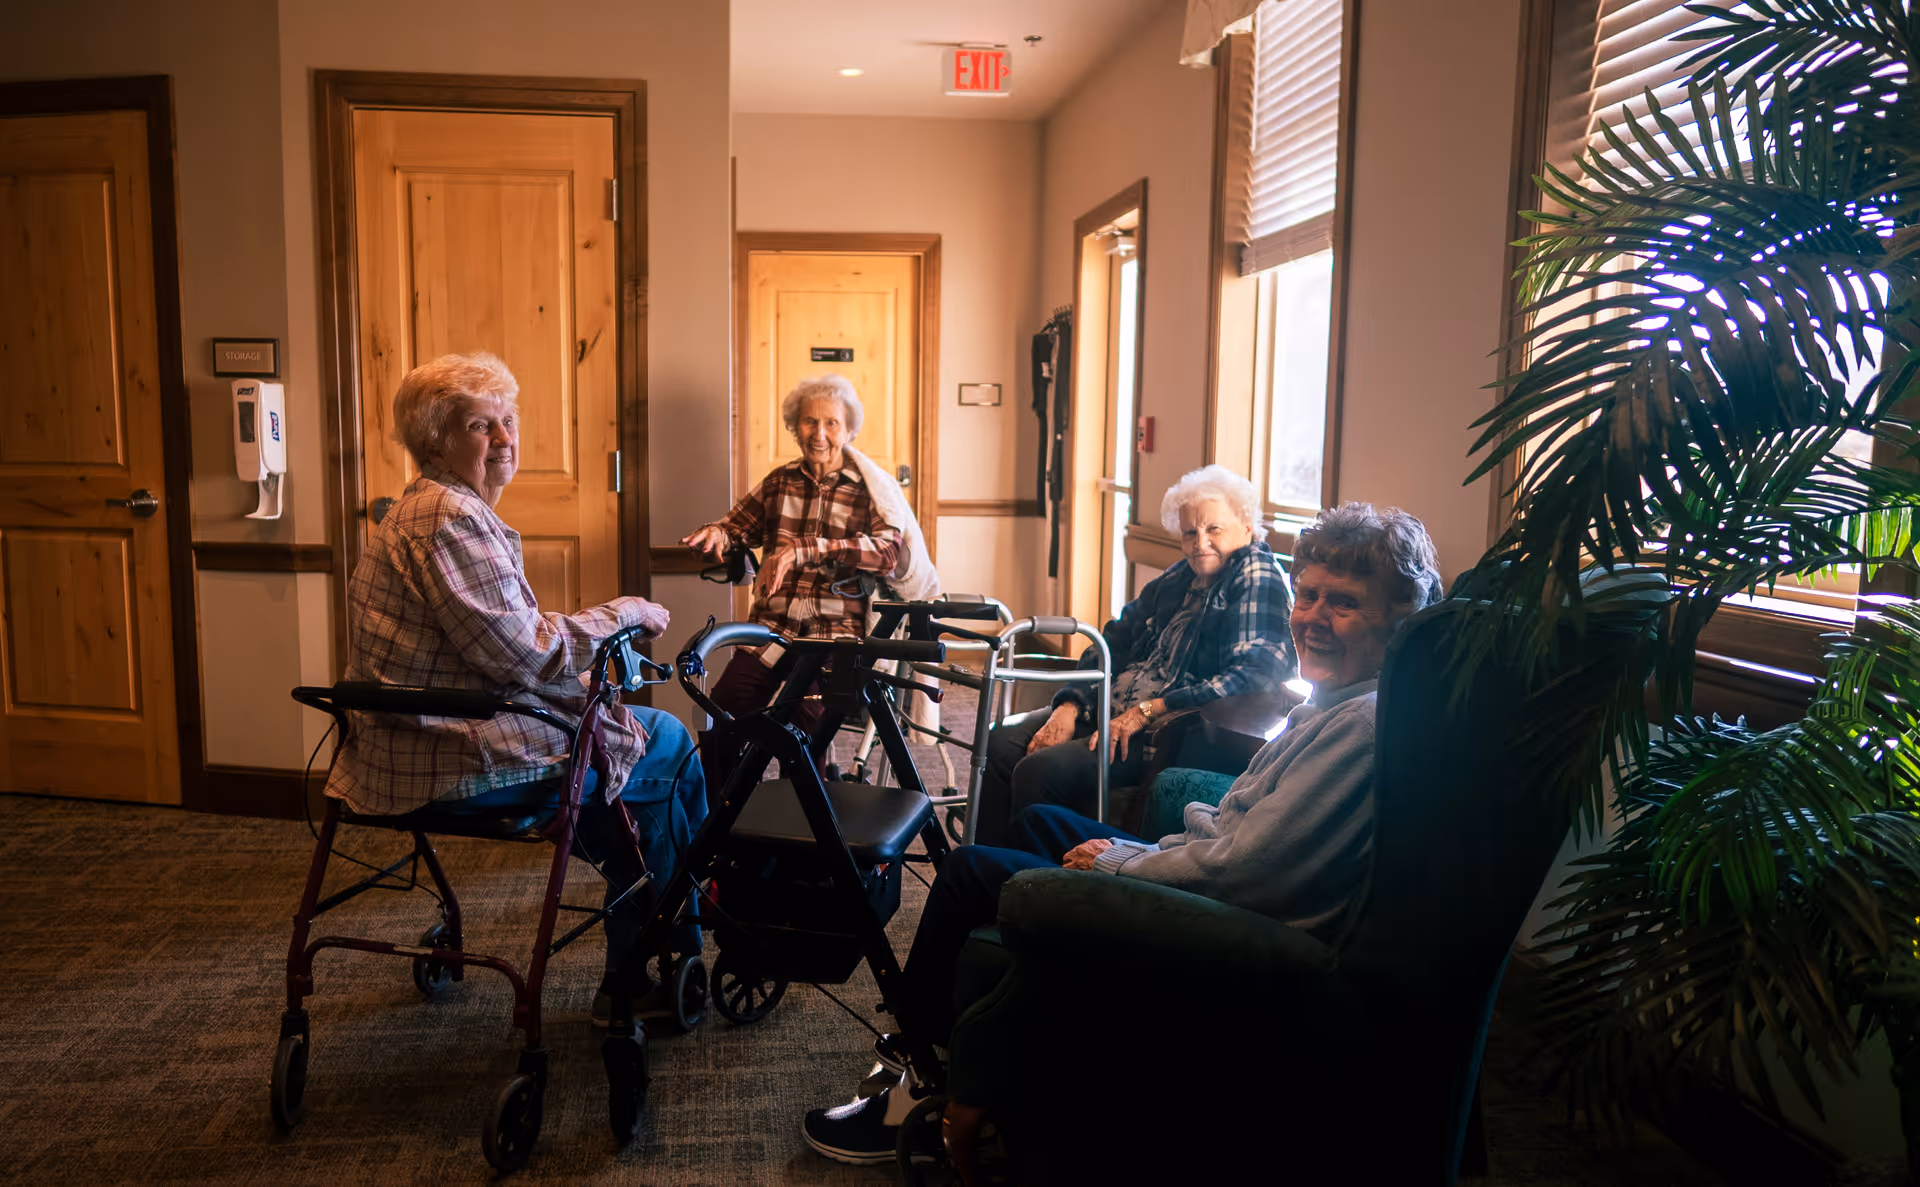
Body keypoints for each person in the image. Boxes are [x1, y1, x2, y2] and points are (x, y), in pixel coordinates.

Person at [799, 501, 1443, 1166]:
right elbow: (1233, 830)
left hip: (1218, 921)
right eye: (1307, 594)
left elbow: (1241, 872)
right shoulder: (1338, 703)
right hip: (1199, 873)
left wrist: (1116, 864)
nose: (1311, 616)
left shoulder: (1358, 727)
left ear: (1397, 621)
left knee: (968, 869)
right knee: (1039, 820)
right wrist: (1132, 837)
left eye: (1343, 603)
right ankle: (974, 1022)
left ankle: (922, 1070)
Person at [325, 351, 706, 1022]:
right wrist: (625, 613)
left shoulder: (418, 510)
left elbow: (484, 649)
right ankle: (663, 945)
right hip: (447, 761)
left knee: (617, 753)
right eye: (480, 425)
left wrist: (579, 671)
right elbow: (525, 651)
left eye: (507, 421)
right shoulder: (451, 519)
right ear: (436, 437)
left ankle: (650, 925)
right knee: (667, 741)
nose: (503, 439)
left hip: (405, 745)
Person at [971, 464, 1295, 846]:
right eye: (1190, 532)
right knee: (997, 745)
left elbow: (1252, 674)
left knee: (1037, 771)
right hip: (1105, 710)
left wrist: (1148, 710)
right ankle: (987, 879)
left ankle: (1034, 887)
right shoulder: (1179, 577)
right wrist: (1070, 705)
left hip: (1165, 734)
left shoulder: (1255, 574)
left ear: (1246, 527)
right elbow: (1112, 639)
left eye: (1214, 529)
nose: (1199, 542)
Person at [681, 374, 937, 780]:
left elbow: (888, 553)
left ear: (849, 430)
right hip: (773, 626)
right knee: (722, 710)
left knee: (803, 725)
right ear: (794, 427)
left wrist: (814, 547)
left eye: (831, 423)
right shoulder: (780, 482)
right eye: (808, 422)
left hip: (835, 633)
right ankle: (719, 812)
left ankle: (802, 825)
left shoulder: (869, 491)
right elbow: (736, 526)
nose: (818, 434)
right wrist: (718, 533)